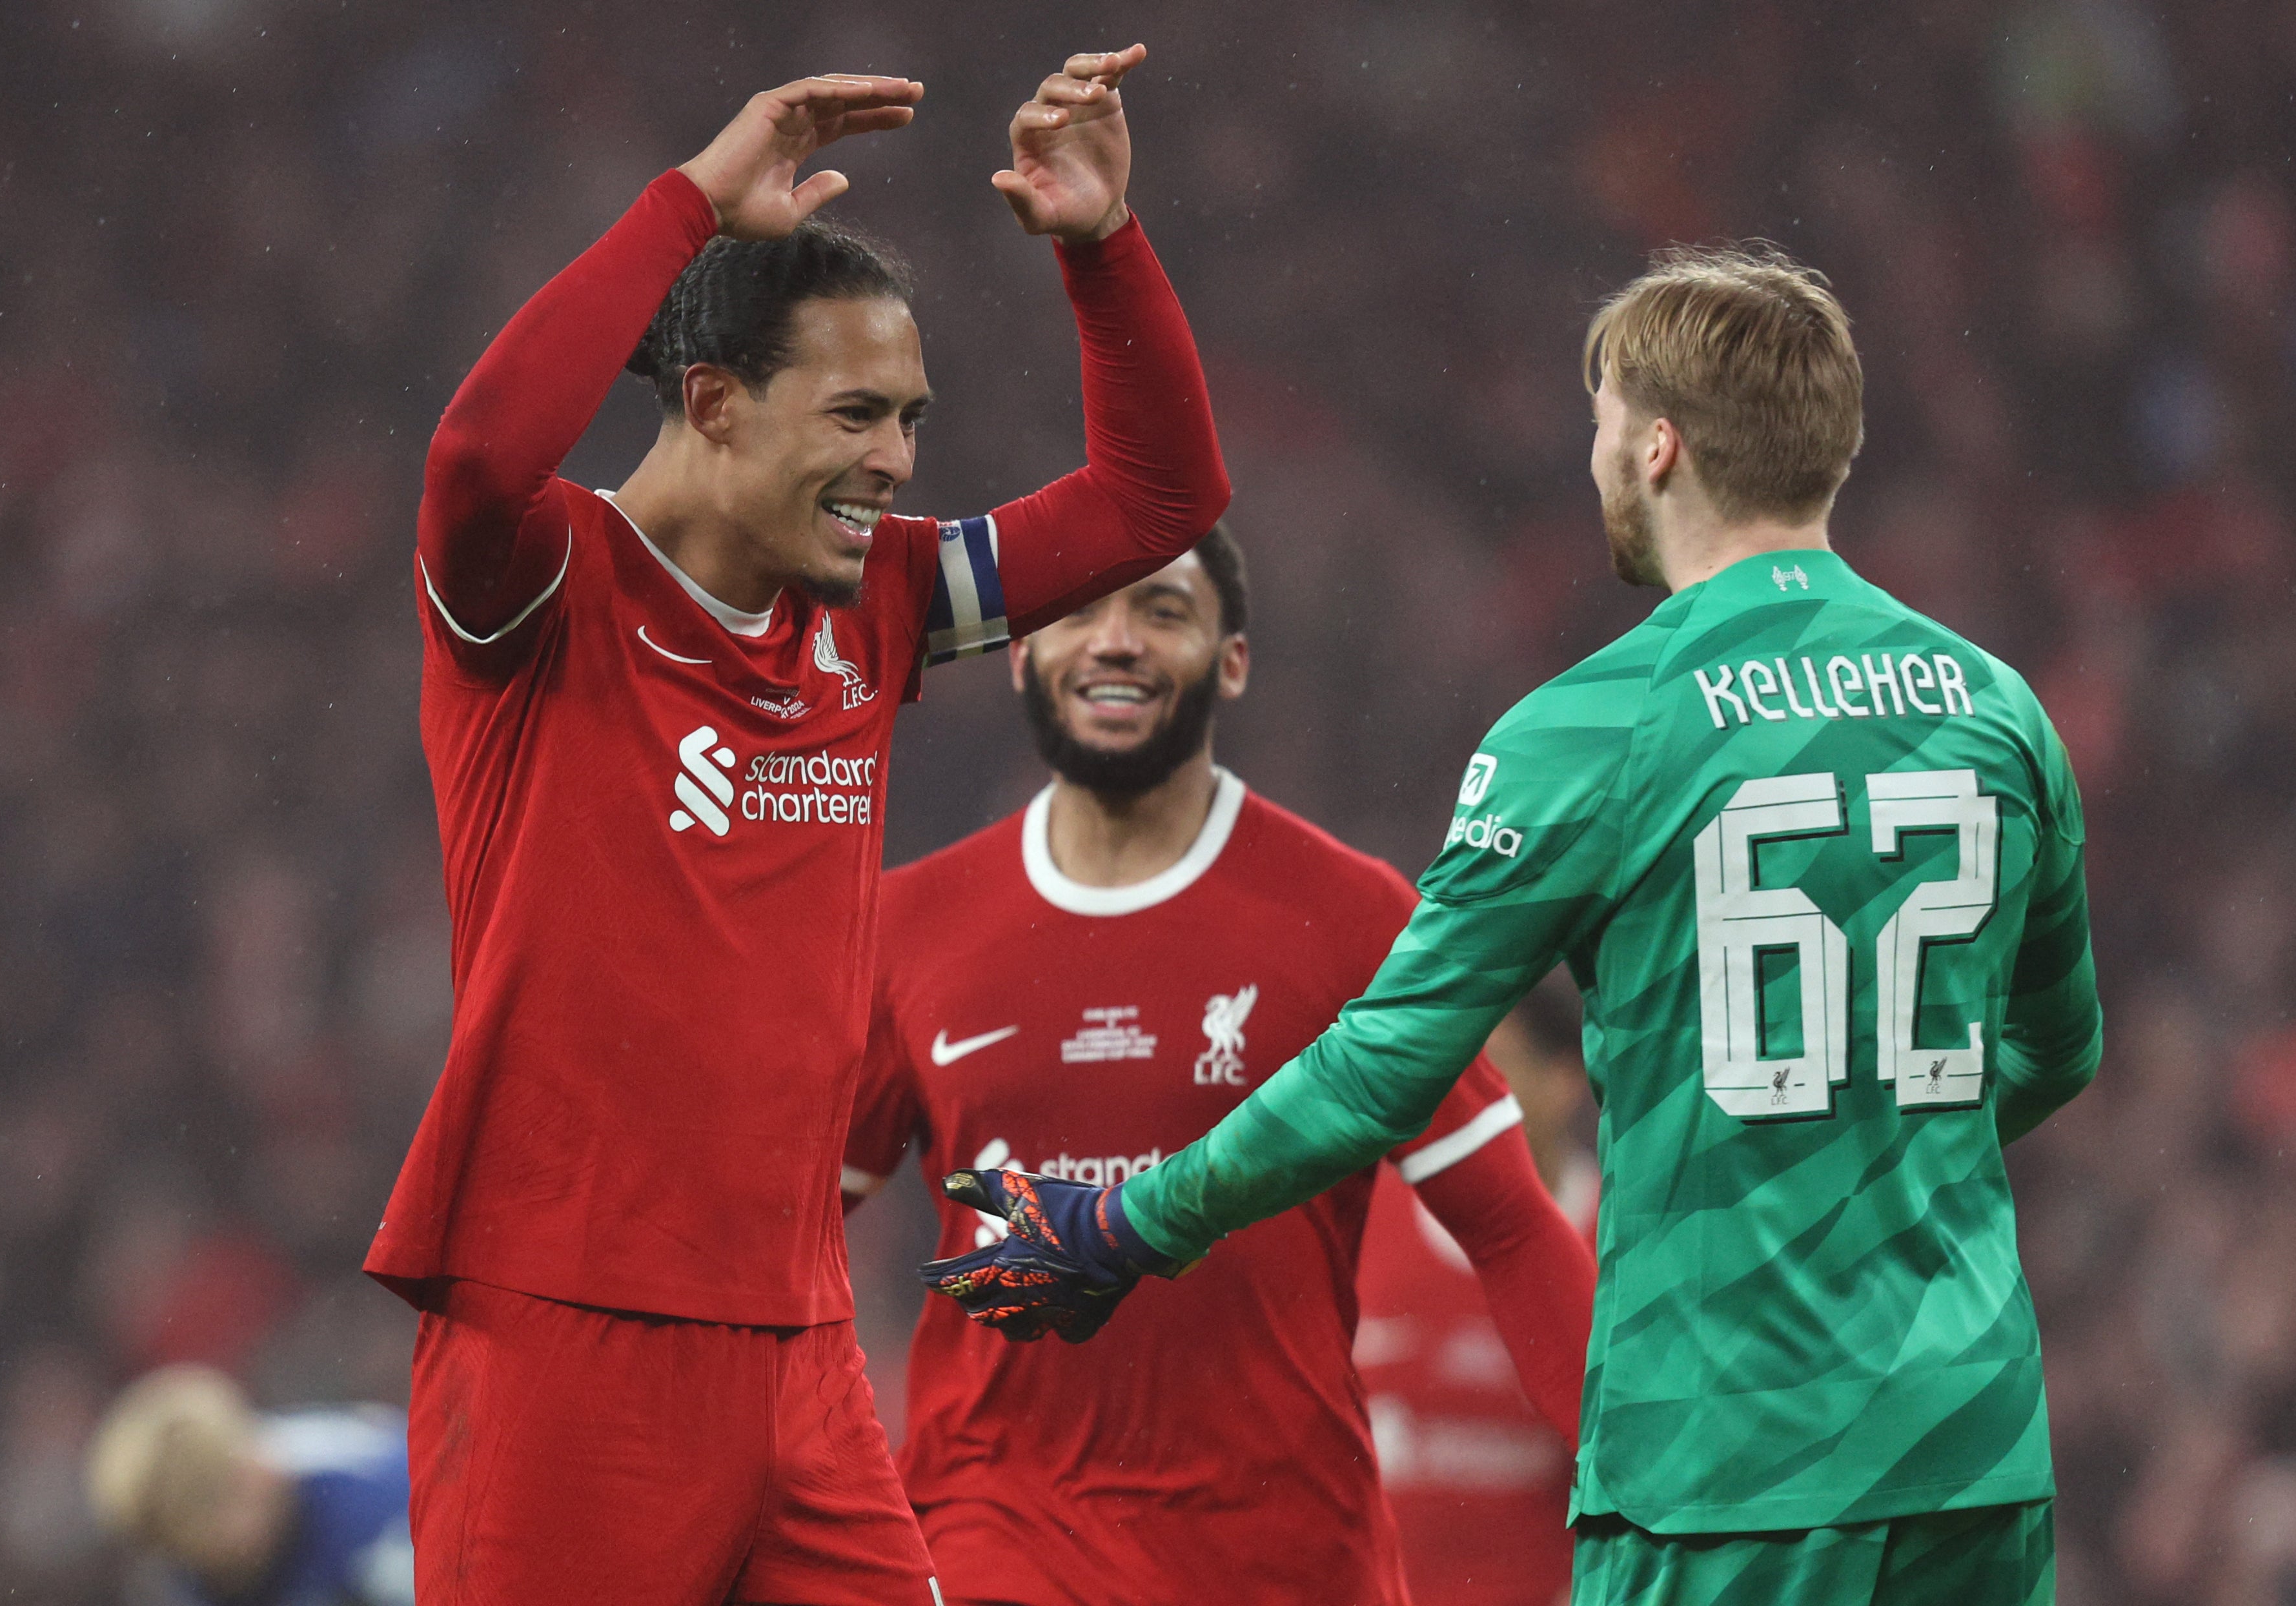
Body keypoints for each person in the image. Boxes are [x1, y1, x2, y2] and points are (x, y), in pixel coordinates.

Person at [926, 245, 2103, 1606]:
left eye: (1601, 422)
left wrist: (1129, 1222)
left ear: (1660, 447)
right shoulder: (1997, 706)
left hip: (1731, 1458)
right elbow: (2058, 1048)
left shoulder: (1595, 724)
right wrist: (1856, 1154)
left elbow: (1386, 1065)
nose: (1592, 456)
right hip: (1974, 1444)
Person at [366, 46, 1229, 1606]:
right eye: (853, 415)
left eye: (907, 419)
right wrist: (691, 204)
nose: (895, 462)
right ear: (712, 401)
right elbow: (476, 455)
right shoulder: (545, 587)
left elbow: (1159, 500)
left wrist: (1101, 244)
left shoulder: (879, 602)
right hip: (566, 1326)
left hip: (804, 1340)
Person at [843, 526, 1595, 1606]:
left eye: (1160, 609)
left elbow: (1514, 1224)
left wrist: (1640, 1485)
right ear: (1016, 652)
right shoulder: (909, 926)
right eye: (1077, 609)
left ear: (1231, 658)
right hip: (995, 1534)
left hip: (1282, 1557)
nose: (1115, 641)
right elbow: (779, 1234)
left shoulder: (1352, 916)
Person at [1354, 976, 1599, 1606]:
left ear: (1566, 1080)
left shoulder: (1623, 1243)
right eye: (1457, 1072)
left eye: (1496, 1071)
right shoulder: (1357, 1221)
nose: (1468, 1097)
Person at [85, 1366, 412, 1606]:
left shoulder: (375, 1505)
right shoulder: (196, 1580)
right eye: (233, 1488)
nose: (264, 1470)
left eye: (247, 1444)